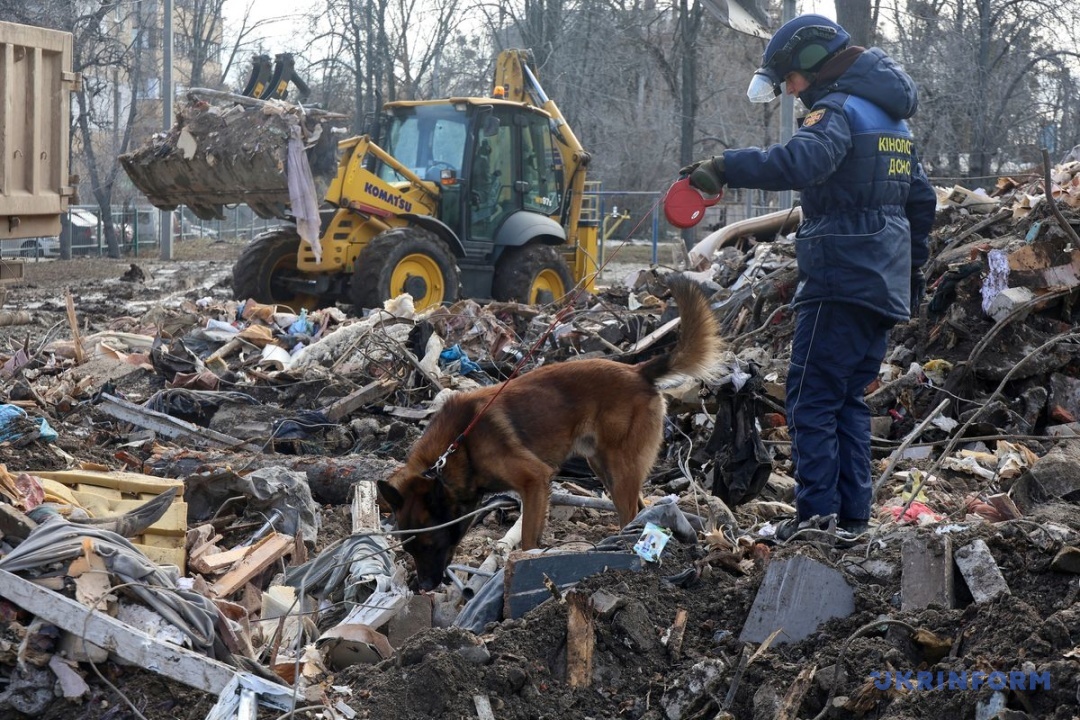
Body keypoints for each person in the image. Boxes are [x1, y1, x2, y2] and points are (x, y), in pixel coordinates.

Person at [681, 14, 937, 540]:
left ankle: (817, 522)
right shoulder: (892, 122)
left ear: (812, 64)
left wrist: (726, 166)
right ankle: (851, 522)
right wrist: (908, 277)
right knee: (845, 399)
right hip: (881, 282)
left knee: (811, 398)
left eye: (791, 78)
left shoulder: (836, 111)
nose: (791, 90)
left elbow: (800, 163)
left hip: (840, 277)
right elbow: (922, 201)